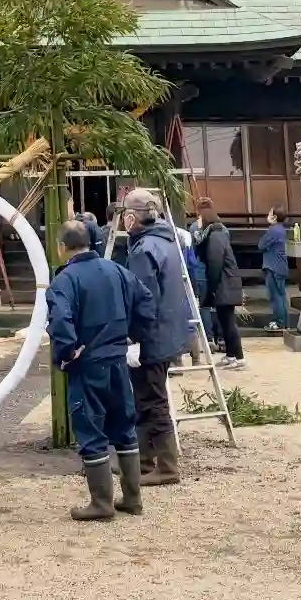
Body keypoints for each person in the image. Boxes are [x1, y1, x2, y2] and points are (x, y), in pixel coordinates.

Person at [46, 219, 156, 521]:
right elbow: (146, 300)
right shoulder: (117, 270)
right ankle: (132, 498)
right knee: (124, 427)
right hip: (117, 359)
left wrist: (67, 352)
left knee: (90, 428)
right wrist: (134, 334)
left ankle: (101, 503)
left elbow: (60, 320)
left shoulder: (64, 280)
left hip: (88, 363)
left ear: (61, 247)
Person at [122, 189, 192, 486]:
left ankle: (166, 466)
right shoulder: (167, 241)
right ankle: (142, 461)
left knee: (152, 400)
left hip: (151, 336)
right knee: (145, 398)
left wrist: (134, 338)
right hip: (168, 331)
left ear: (131, 217)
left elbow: (142, 299)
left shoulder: (144, 250)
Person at [192, 198, 246, 369]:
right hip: (225, 282)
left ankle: (239, 357)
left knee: (229, 322)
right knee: (224, 319)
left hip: (225, 282)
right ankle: (230, 355)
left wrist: (213, 287)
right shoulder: (215, 232)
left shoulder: (216, 235)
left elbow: (215, 263)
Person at [257, 206, 290, 331]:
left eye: (270, 213)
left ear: (274, 217)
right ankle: (283, 322)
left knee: (275, 296)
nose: (268, 215)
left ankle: (279, 322)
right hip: (280, 266)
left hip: (273, 266)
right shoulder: (281, 229)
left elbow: (261, 245)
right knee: (280, 295)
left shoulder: (274, 230)